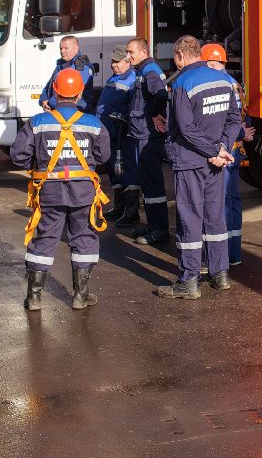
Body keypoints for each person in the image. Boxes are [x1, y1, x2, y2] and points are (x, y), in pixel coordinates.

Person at [10, 69, 111, 312]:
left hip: (50, 191)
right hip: (83, 192)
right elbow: (103, 156)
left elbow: (18, 156)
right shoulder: (94, 124)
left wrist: (35, 167)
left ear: (55, 91)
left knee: (44, 238)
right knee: (83, 238)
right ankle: (80, 295)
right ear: (79, 95)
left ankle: (34, 297)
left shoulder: (37, 122)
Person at [156, 35, 242, 300]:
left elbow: (185, 128)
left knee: (190, 219)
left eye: (175, 57)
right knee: (215, 216)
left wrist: (214, 150)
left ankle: (188, 281)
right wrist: (223, 148)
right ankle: (220, 274)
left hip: (191, 160)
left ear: (181, 55)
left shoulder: (183, 82)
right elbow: (234, 118)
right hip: (215, 161)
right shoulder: (224, 80)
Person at [203, 44, 253, 269]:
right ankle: (234, 252)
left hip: (223, 150)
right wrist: (243, 132)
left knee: (219, 202)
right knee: (232, 201)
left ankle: (221, 255)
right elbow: (243, 116)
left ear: (211, 64)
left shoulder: (218, 85)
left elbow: (224, 119)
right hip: (235, 148)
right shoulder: (235, 84)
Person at [121, 38, 170, 245]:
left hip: (148, 138)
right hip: (140, 135)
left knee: (152, 184)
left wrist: (154, 114)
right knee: (147, 185)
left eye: (131, 52)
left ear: (143, 51)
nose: (128, 56)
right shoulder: (142, 70)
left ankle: (159, 231)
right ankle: (152, 225)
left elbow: (160, 95)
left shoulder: (150, 70)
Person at [96, 45, 135, 204]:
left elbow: (133, 107)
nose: (113, 64)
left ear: (128, 62)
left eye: (117, 61)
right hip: (108, 133)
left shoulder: (131, 79)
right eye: (113, 61)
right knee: (113, 171)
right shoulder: (113, 77)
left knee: (124, 172)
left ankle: (130, 211)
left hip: (120, 134)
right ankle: (119, 208)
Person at [40, 35, 95, 112]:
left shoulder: (81, 68)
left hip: (76, 113)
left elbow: (70, 95)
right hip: (58, 110)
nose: (62, 51)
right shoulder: (61, 65)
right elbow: (49, 86)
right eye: (61, 48)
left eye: (66, 48)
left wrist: (49, 103)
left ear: (76, 49)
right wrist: (43, 100)